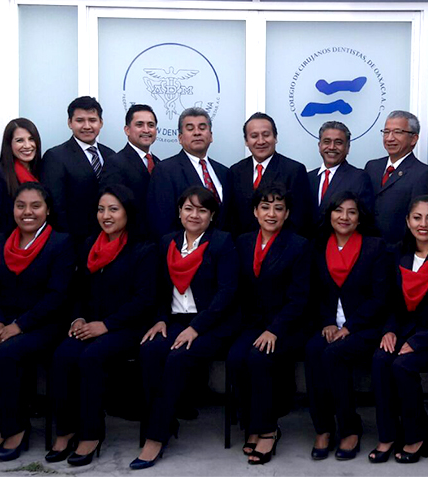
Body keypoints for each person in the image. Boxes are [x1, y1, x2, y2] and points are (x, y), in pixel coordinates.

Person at [0, 182, 72, 462]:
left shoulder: (60, 243)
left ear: (47, 210)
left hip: (43, 324)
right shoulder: (0, 242)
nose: (27, 212)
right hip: (4, 323)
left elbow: (56, 296)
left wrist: (19, 325)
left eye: (36, 206)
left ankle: (15, 429)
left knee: (5, 355)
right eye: (21, 205)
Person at [47, 185, 156, 466]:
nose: (105, 216)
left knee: (91, 357)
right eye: (101, 209)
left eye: (113, 209)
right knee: (62, 356)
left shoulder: (143, 248)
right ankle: (66, 430)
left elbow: (144, 300)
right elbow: (79, 291)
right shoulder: (89, 245)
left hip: (127, 327)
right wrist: (78, 319)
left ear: (127, 213)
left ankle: (91, 435)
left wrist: (106, 325)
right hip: (91, 325)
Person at [133, 186, 239, 470]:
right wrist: (159, 318)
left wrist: (197, 328)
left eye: (202, 210)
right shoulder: (168, 241)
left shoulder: (222, 242)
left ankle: (156, 438)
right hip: (173, 321)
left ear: (212, 215)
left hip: (210, 324)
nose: (194, 215)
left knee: (178, 358)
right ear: (179, 212)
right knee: (149, 352)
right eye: (188, 208)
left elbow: (227, 294)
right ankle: (165, 422)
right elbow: (157, 290)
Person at [370, 195, 428, 464]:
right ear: (408, 221)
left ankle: (417, 435)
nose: (423, 224)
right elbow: (391, 300)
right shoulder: (398, 252)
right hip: (404, 330)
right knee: (379, 360)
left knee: (403, 365)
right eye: (417, 217)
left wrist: (420, 341)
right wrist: (388, 330)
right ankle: (388, 434)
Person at [227, 182, 311, 465]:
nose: (271, 213)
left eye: (278, 208)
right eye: (265, 207)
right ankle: (250, 423)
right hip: (252, 323)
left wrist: (275, 329)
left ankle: (267, 429)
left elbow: (300, 298)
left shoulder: (299, 245)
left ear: (287, 214)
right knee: (237, 357)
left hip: (287, 325)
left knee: (259, 358)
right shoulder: (243, 242)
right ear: (255, 211)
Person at [304, 192, 390, 461]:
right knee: (312, 351)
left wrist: (350, 326)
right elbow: (315, 293)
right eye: (338, 211)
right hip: (331, 325)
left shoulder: (374, 247)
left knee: (333, 353)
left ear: (360, 217)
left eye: (351, 212)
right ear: (329, 215)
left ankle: (350, 428)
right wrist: (328, 322)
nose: (344, 217)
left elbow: (380, 297)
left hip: (364, 327)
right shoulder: (318, 247)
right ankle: (323, 428)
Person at [41, 96, 117, 252]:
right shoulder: (55, 156)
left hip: (108, 240)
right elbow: (56, 207)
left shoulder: (111, 155)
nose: (87, 126)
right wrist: (67, 245)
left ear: (101, 123)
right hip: (73, 243)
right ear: (70, 123)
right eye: (80, 120)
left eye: (92, 120)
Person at [147, 107, 233, 237]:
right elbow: (162, 223)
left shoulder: (224, 172)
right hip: (183, 253)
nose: (197, 133)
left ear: (211, 136)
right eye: (190, 128)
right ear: (180, 138)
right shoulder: (165, 171)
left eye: (202, 128)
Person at [228, 112, 314, 236]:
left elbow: (300, 219)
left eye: (266, 135)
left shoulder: (294, 170)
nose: (261, 141)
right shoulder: (235, 171)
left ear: (275, 137)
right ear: (246, 141)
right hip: (242, 248)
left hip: (281, 248)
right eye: (254, 136)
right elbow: (231, 217)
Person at [364, 111, 428, 243]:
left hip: (398, 251)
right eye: (386, 132)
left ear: (413, 138)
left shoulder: (423, 174)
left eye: (397, 132)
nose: (390, 138)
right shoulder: (372, 167)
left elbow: (420, 219)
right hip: (368, 248)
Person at [0, 118, 43, 254]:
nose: (27, 145)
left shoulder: (43, 172)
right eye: (20, 140)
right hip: (7, 251)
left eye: (31, 139)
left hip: (40, 249)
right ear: (9, 144)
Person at [100, 104, 161, 240]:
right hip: (130, 241)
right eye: (139, 125)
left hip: (156, 240)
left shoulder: (159, 163)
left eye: (151, 125)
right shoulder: (115, 163)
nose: (146, 130)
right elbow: (111, 206)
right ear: (127, 130)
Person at [308, 121, 374, 231]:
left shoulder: (359, 178)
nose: (332, 147)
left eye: (338, 143)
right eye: (327, 142)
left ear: (347, 148)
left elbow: (364, 219)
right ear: (319, 146)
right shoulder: (309, 178)